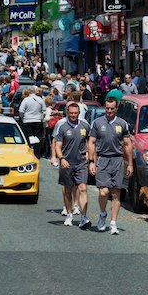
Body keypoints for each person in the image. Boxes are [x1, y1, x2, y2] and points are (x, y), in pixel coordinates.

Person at [87, 97, 134, 235]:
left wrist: (130, 163)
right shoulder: (97, 123)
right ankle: (102, 214)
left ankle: (113, 222)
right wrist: (91, 161)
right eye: (107, 108)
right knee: (103, 192)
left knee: (115, 193)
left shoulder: (122, 124)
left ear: (116, 109)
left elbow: (128, 144)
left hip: (117, 160)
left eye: (112, 108)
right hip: (102, 159)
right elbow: (91, 142)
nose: (109, 111)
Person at [55, 103, 91, 229]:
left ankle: (84, 217)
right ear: (67, 112)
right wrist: (61, 158)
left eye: (76, 113)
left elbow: (90, 141)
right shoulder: (62, 127)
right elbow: (58, 146)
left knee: (82, 188)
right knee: (68, 190)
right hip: (67, 163)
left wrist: (89, 154)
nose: (74, 115)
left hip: (81, 162)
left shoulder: (85, 126)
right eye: (71, 113)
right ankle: (69, 213)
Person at [18, 87, 46, 158]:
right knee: (37, 138)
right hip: (37, 121)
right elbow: (44, 110)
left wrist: (23, 118)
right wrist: (41, 118)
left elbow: (21, 111)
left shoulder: (26, 100)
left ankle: (28, 152)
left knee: (28, 137)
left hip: (27, 121)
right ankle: (37, 154)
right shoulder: (40, 99)